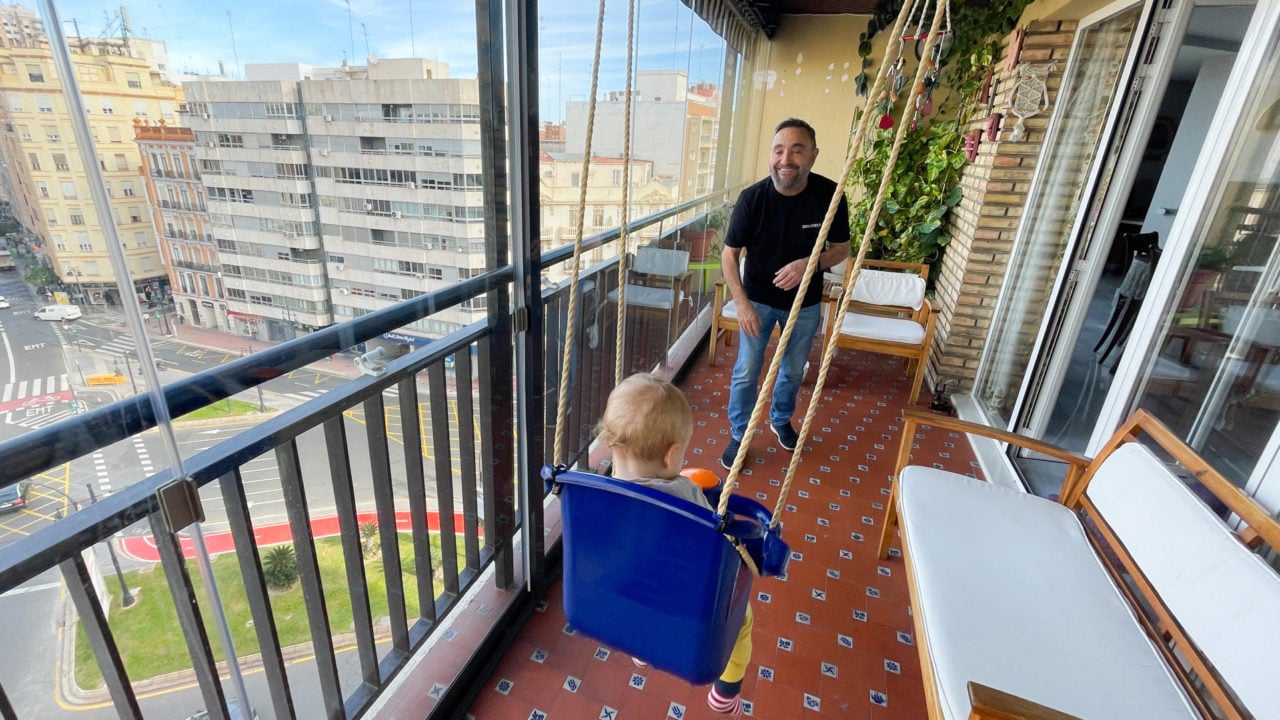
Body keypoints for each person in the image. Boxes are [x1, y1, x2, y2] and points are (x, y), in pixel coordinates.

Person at [596, 373, 753, 715]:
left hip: (624, 595)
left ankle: (641, 644)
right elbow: (714, 547)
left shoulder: (595, 493)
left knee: (644, 582)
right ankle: (726, 692)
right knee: (742, 619)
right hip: (681, 603)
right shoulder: (686, 496)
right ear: (671, 456)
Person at [719, 118, 850, 469]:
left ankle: (780, 419)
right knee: (747, 371)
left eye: (796, 150)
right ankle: (739, 433)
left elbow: (841, 249)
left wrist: (810, 263)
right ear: (771, 156)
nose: (785, 159)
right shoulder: (753, 199)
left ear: (813, 155)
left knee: (792, 371)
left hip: (804, 305)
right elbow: (729, 254)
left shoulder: (830, 196)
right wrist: (742, 303)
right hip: (757, 302)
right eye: (779, 150)